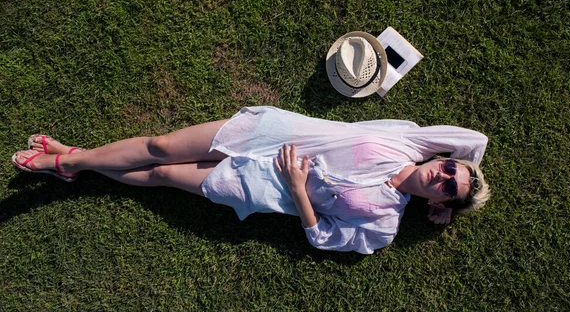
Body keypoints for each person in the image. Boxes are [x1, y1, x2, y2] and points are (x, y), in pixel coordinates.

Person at [11, 106, 490, 254]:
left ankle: (75, 161)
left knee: (158, 173)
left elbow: (325, 237)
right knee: (159, 145)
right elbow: (476, 139)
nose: (443, 174)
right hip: (269, 133)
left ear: (440, 203)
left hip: (262, 186)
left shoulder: (384, 224)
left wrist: (301, 191)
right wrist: (464, 179)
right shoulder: (412, 142)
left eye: (449, 186)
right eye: (450, 169)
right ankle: (75, 162)